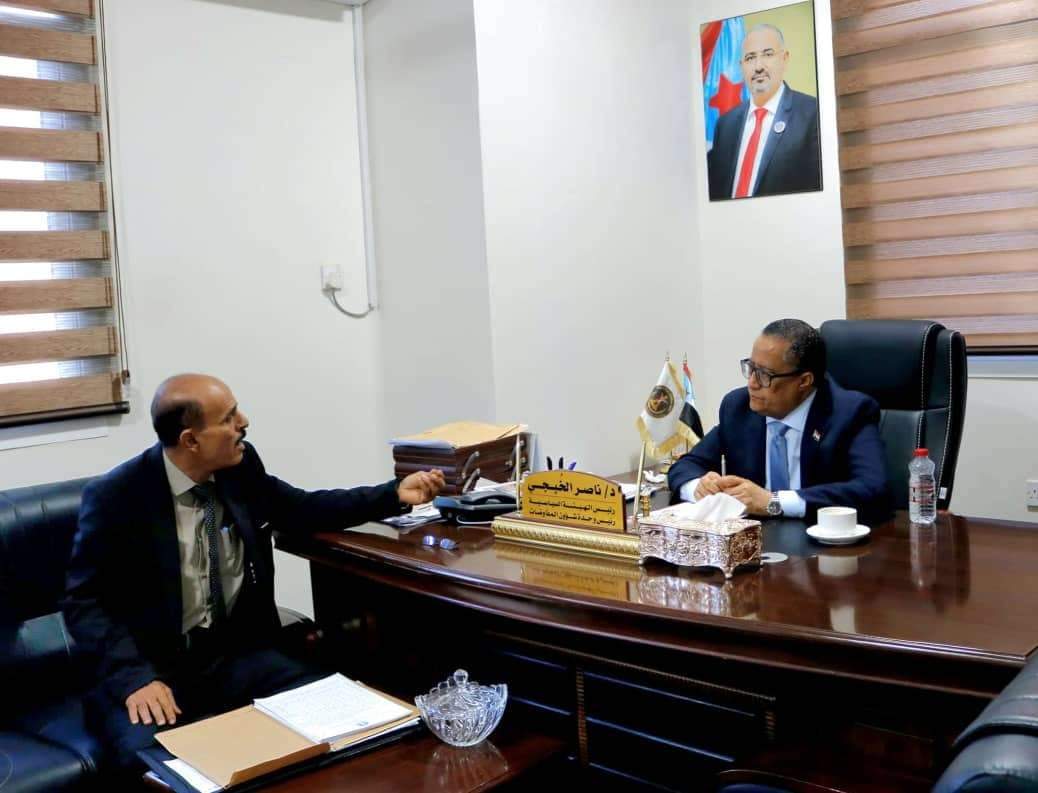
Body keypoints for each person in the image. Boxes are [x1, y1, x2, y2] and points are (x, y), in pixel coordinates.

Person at [63, 374, 445, 778]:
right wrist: (133, 678)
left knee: (344, 722)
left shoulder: (239, 468)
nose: (243, 422)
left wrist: (393, 494)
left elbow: (301, 508)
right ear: (191, 440)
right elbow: (84, 601)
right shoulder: (117, 497)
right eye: (229, 418)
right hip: (154, 670)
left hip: (235, 657)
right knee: (161, 768)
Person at [667, 319, 890, 524]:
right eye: (751, 368)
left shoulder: (849, 413)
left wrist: (773, 502)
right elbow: (685, 466)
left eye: (764, 375)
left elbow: (872, 489)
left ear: (804, 381)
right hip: (755, 541)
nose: (752, 383)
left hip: (822, 542)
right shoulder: (739, 407)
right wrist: (699, 488)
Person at [707, 23, 821, 200]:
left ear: (784, 58)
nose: (758, 66)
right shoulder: (725, 124)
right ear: (741, 66)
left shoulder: (812, 115)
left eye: (768, 54)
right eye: (750, 58)